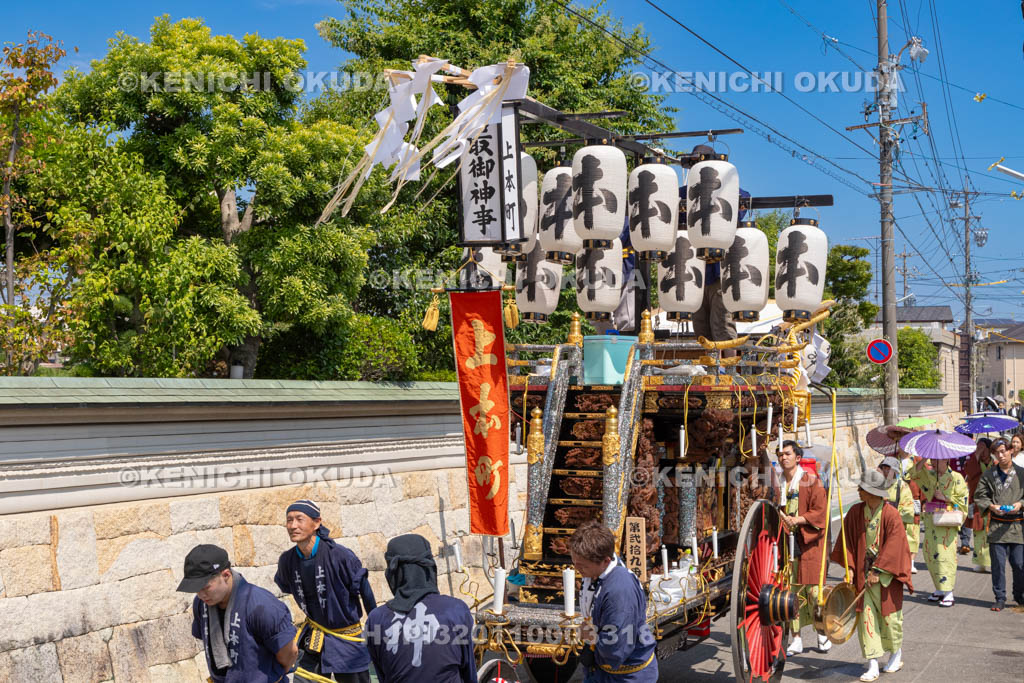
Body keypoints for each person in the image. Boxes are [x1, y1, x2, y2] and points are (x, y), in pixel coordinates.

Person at [275, 500, 376, 683]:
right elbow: (285, 587)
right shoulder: (287, 561)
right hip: (314, 637)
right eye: (289, 520)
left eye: (299, 519)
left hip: (347, 640)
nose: (293, 525)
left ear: (317, 523)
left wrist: (377, 628)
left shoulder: (340, 556)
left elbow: (365, 592)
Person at [831, 470, 913, 682]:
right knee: (866, 617)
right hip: (862, 573)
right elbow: (847, 540)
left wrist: (878, 570)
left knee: (890, 619)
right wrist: (849, 567)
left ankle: (896, 653)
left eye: (861, 489)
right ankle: (873, 663)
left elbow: (896, 545)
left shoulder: (891, 514)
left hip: (886, 576)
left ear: (871, 492)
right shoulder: (856, 512)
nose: (858, 491)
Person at [364, 534, 476, 683]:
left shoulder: (376, 619)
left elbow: (383, 675)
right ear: (429, 568)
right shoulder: (456, 610)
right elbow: (469, 672)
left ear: (393, 573)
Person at [178, 544, 298, 683]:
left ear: (226, 575)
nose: (201, 594)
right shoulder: (201, 604)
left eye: (206, 587)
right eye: (196, 589)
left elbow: (290, 653)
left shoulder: (261, 605)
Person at [570, 519, 657, 682]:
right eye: (575, 563)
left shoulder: (619, 592)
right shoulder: (601, 574)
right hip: (603, 671)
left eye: (583, 566)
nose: (577, 570)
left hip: (626, 676)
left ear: (605, 561)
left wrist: (592, 637)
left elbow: (617, 647)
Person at [776, 440, 831, 656]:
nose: (783, 458)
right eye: (780, 454)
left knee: (815, 591)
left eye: (787, 454)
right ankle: (796, 638)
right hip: (787, 545)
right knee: (793, 591)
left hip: (810, 543)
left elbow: (820, 510)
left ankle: (822, 632)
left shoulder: (811, 481)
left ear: (798, 458)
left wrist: (799, 519)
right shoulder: (777, 483)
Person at [911, 454, 968, 607]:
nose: (933, 463)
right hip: (930, 519)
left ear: (946, 460)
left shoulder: (956, 477)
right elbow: (913, 474)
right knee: (930, 554)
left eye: (937, 459)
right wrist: (923, 458)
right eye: (932, 459)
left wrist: (945, 497)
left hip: (946, 521)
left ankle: (948, 591)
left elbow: (963, 499)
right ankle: (939, 588)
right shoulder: (929, 474)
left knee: (945, 555)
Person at [973, 438, 1024, 610]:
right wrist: (991, 506)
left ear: (1011, 450)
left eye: (1004, 451)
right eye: (997, 453)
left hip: (1017, 526)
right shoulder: (988, 474)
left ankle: (1019, 594)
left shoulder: (1021, 473)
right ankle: (1000, 597)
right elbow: (979, 495)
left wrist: (1020, 504)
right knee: (998, 565)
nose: (1001, 455)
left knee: (1018, 564)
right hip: (996, 524)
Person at [879, 456, 916, 576]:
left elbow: (908, 510)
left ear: (895, 471)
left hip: (895, 526)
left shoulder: (902, 486)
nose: (885, 472)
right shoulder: (878, 485)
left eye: (888, 469)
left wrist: (891, 515)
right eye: (883, 468)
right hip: (879, 527)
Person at [964, 438, 994, 573]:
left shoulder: (995, 463)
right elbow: (969, 472)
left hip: (992, 503)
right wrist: (976, 454)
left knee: (991, 534)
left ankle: (993, 562)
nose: (981, 451)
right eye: (978, 447)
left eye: (983, 448)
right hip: (977, 504)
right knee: (978, 533)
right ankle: (980, 562)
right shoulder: (975, 462)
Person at [898, 449, 924, 573]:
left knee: (913, 532)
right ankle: (898, 560)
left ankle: (911, 562)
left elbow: (925, 479)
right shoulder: (892, 459)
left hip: (913, 499)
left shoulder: (917, 460)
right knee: (896, 532)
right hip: (897, 500)